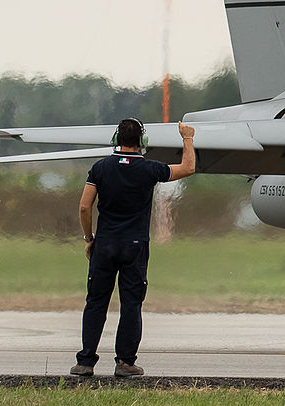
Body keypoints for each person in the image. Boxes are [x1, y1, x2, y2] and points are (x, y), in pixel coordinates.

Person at [70, 118, 196, 377]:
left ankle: (85, 362)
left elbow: (84, 207)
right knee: (131, 304)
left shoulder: (100, 168)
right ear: (142, 140)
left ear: (116, 139)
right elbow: (188, 168)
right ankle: (125, 362)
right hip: (135, 245)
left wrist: (89, 238)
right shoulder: (150, 169)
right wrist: (187, 138)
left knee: (95, 302)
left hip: (104, 244)